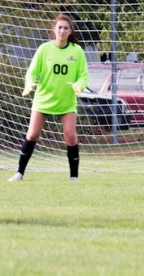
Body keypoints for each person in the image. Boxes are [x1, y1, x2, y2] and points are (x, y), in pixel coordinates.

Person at [8, 13, 89, 182]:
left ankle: (74, 177)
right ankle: (19, 173)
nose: (62, 30)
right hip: (43, 99)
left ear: (70, 31)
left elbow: (83, 76)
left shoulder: (77, 51)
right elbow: (32, 72)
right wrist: (29, 84)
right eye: (59, 27)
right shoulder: (44, 49)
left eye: (65, 28)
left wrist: (79, 86)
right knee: (32, 135)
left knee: (71, 136)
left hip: (66, 102)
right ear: (54, 29)